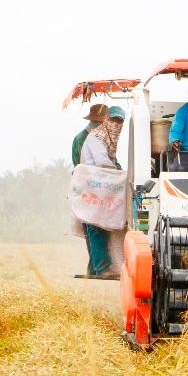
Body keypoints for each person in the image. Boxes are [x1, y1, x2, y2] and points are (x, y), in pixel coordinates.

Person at [80, 106, 126, 278]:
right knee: (95, 225)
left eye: (119, 121)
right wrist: (121, 174)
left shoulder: (107, 140)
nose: (116, 124)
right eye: (113, 120)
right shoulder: (96, 138)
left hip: (101, 188)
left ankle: (94, 269)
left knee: (99, 225)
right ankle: (102, 269)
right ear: (106, 120)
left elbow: (111, 162)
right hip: (94, 187)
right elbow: (103, 163)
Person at [71, 103, 108, 275]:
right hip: (88, 185)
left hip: (92, 185)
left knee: (91, 226)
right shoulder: (85, 138)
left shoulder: (98, 137)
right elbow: (81, 166)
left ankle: (93, 267)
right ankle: (98, 267)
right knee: (93, 225)